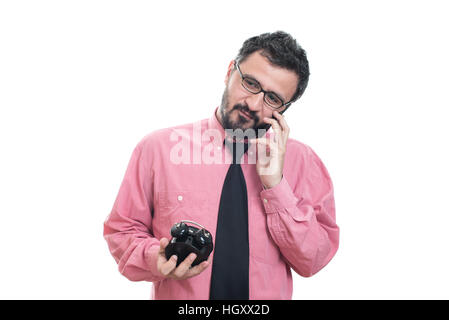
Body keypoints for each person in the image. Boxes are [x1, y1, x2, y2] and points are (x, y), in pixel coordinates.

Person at [103, 31, 339, 300]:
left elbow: (313, 260)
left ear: (285, 108)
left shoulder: (304, 163)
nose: (253, 104)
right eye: (249, 83)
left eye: (272, 99)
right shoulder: (159, 148)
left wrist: (276, 187)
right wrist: (153, 258)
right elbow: (121, 231)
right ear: (230, 71)